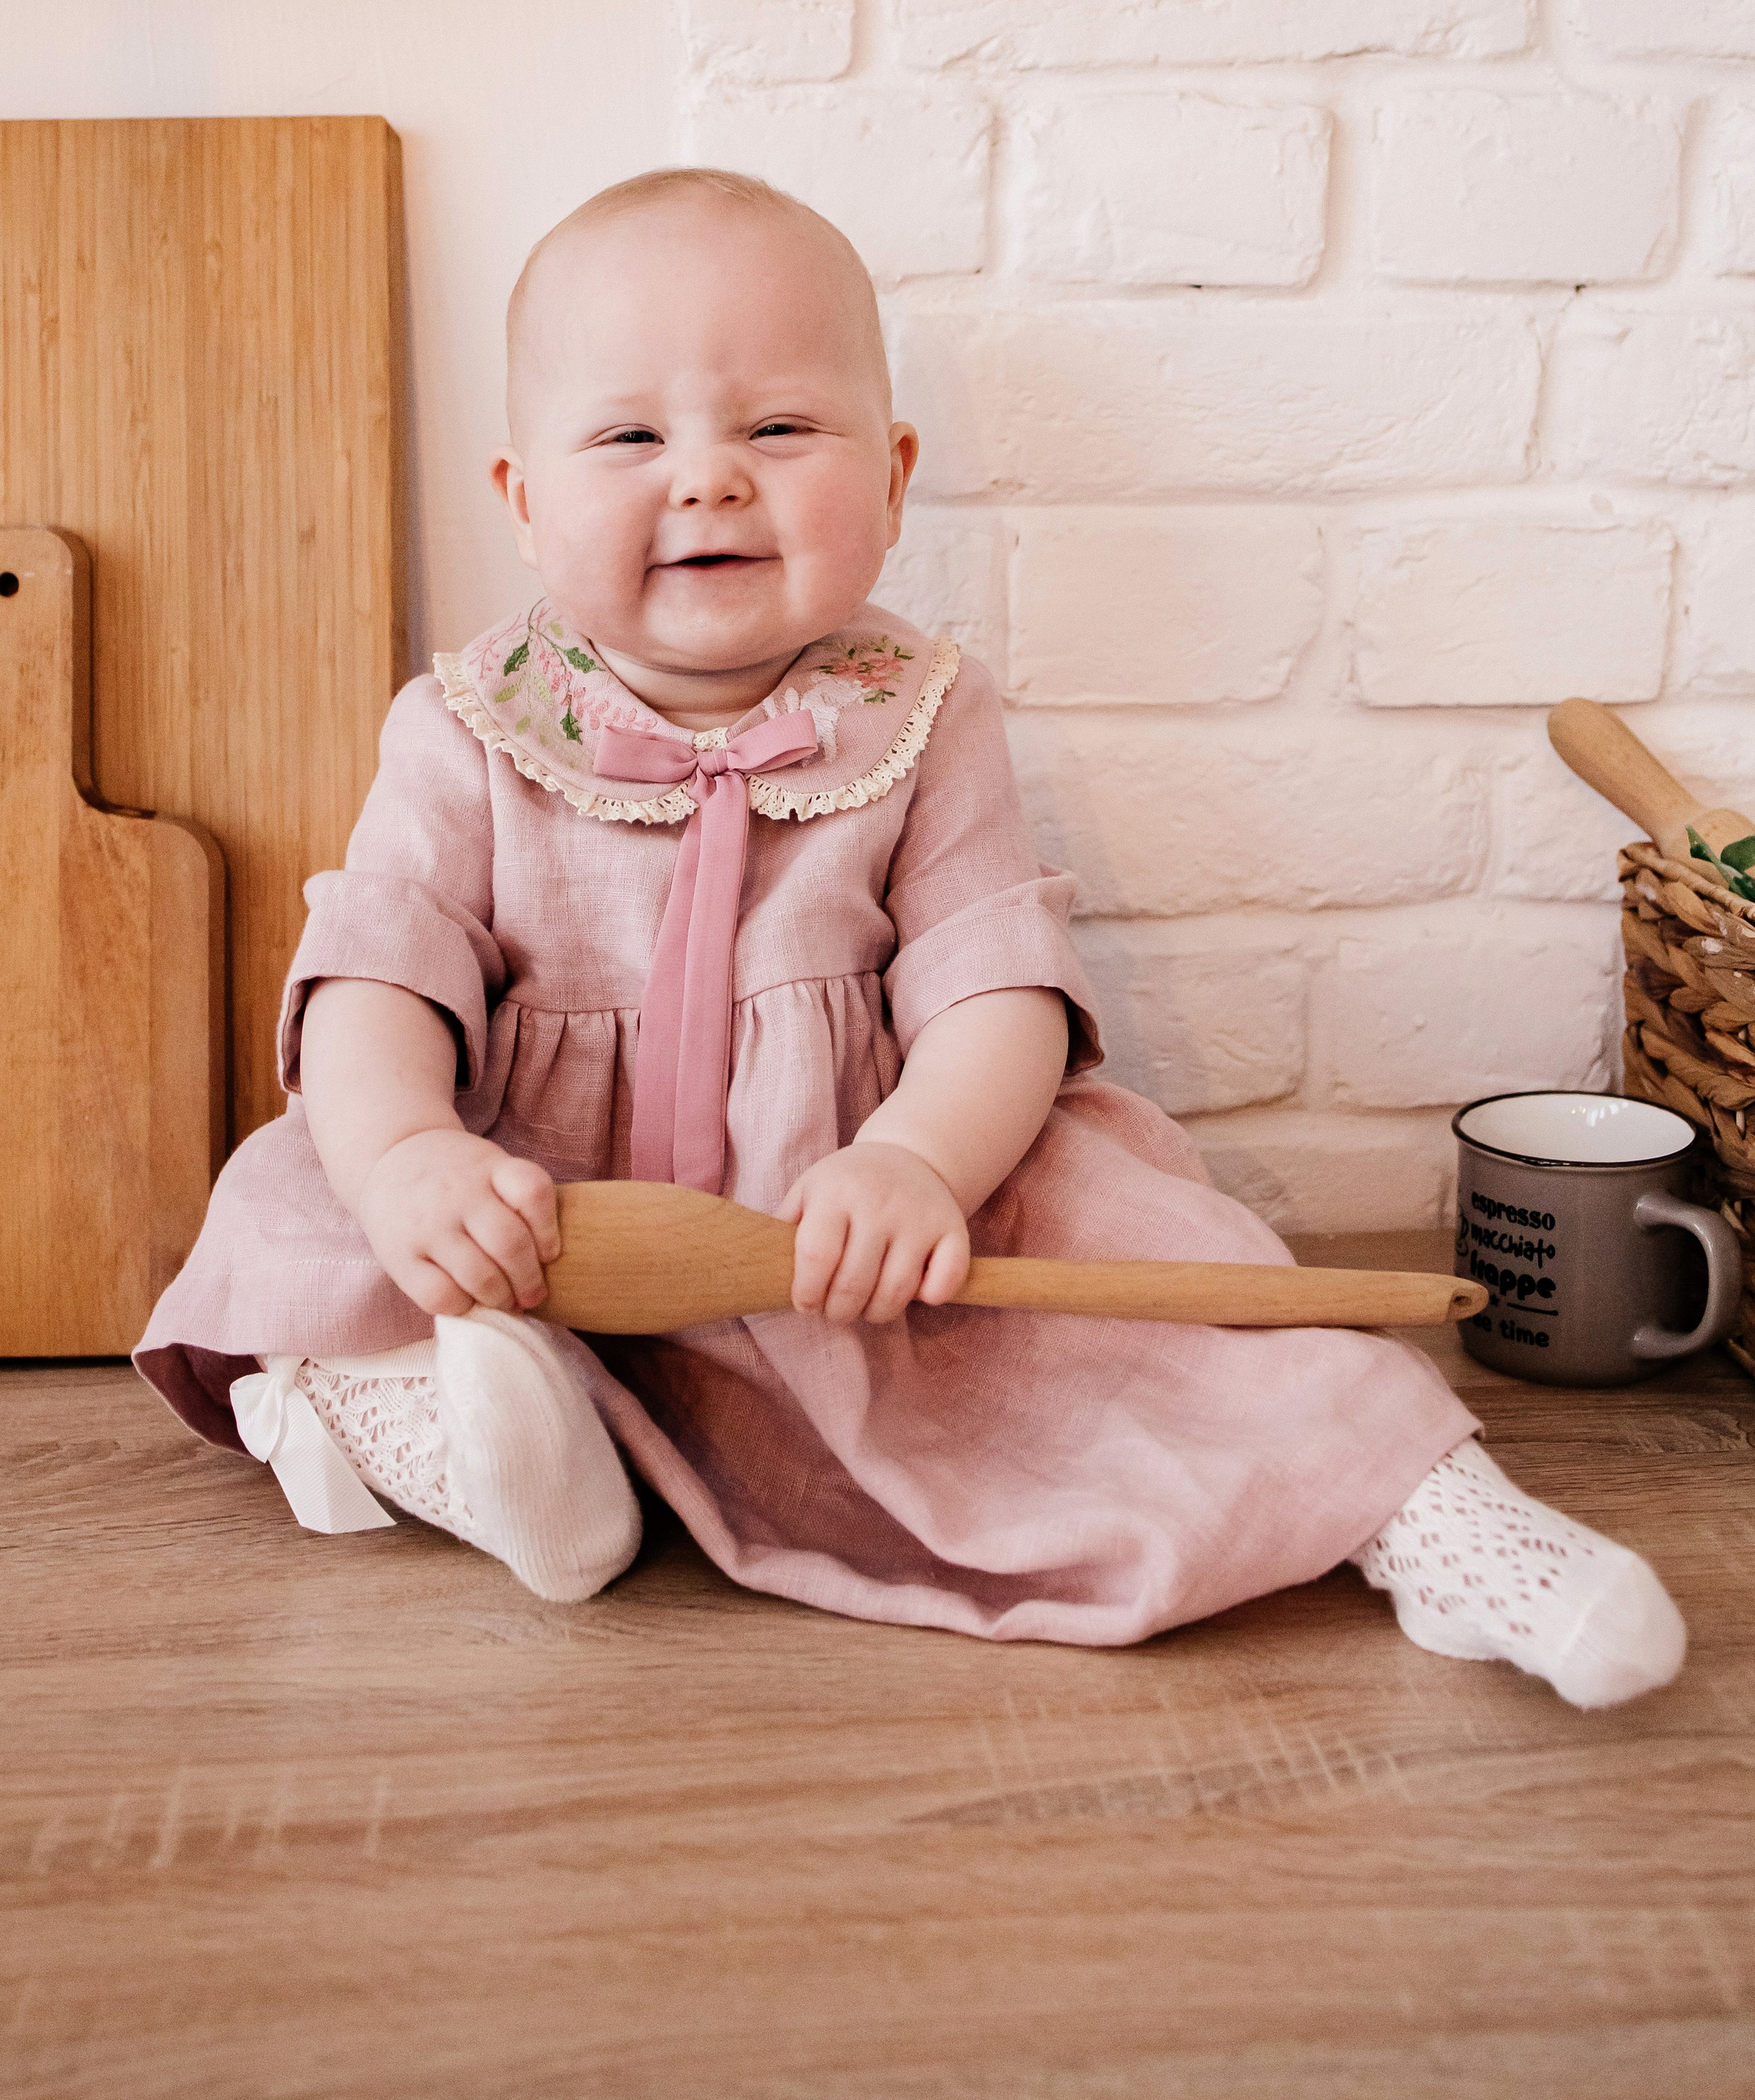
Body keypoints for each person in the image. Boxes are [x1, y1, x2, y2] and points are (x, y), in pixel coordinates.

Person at [136, 169, 1684, 1708]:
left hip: (845, 1197)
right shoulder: (462, 727)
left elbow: (995, 989)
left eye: (777, 429)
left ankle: (1434, 1520)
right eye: (628, 437)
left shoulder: (923, 716)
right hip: (534, 1202)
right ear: (522, 500)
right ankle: (506, 1455)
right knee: (301, 1223)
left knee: (1181, 1282)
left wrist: (916, 1164)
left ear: (889, 478)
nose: (707, 479)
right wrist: (408, 1151)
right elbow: (374, 981)